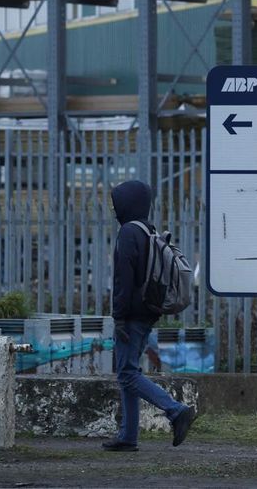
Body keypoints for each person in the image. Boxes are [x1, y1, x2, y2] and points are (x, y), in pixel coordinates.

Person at [102, 180, 195, 452]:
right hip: (146, 313)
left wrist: (118, 317)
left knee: (128, 374)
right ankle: (128, 436)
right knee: (128, 372)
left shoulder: (129, 232)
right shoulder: (147, 230)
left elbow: (125, 279)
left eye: (117, 201)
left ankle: (176, 410)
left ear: (127, 203)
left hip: (131, 316)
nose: (114, 207)